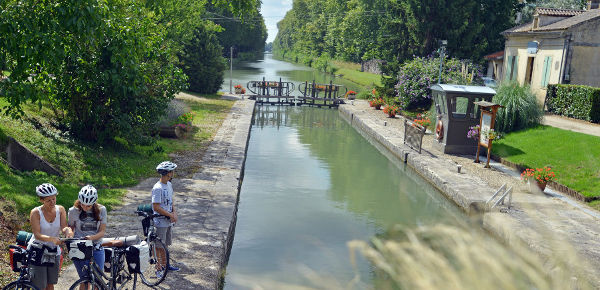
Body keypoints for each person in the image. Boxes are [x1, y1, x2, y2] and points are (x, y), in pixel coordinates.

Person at [29, 183, 74, 290]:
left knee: (50, 283)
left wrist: (68, 231)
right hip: (38, 250)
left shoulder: (60, 209)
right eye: (48, 200)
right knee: (40, 285)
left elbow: (63, 227)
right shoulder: (35, 212)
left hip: (53, 251)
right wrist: (52, 239)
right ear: (41, 200)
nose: (52, 202)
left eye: (54, 199)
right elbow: (37, 235)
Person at [68, 185, 107, 286]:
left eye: (88, 206)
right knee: (84, 280)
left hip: (96, 246)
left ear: (94, 203)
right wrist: (69, 234)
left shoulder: (102, 210)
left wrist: (91, 238)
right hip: (80, 247)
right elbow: (71, 227)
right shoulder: (73, 211)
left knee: (98, 280)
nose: (85, 208)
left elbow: (102, 232)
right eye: (82, 204)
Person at [152, 161, 180, 275]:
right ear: (168, 173)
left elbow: (171, 201)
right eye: (172, 171)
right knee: (159, 246)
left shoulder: (169, 184)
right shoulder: (157, 188)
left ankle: (166, 264)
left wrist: (174, 213)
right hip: (160, 222)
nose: (173, 173)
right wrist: (170, 215)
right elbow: (156, 207)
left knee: (166, 244)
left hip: (168, 221)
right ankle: (158, 268)